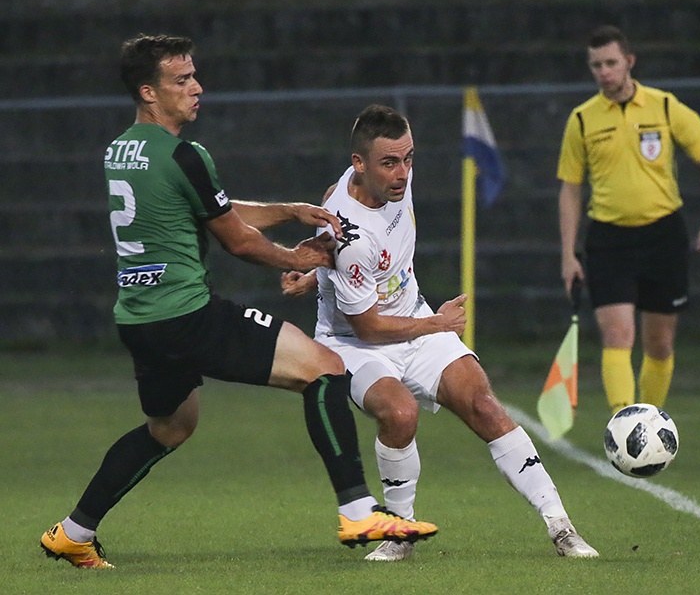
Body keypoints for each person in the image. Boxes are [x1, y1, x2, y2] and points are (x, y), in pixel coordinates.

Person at [39, 34, 437, 570]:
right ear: (149, 92)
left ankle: (72, 533)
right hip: (187, 315)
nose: (196, 87)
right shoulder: (187, 154)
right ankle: (359, 509)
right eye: (181, 80)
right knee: (325, 368)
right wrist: (299, 260)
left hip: (139, 318)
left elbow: (212, 209)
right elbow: (236, 239)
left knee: (170, 428)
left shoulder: (121, 151)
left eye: (194, 76)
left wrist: (289, 209)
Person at [282, 104, 598, 562]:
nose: (403, 173)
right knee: (400, 412)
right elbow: (366, 324)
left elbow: (337, 199)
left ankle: (561, 527)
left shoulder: (379, 181)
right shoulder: (348, 236)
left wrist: (319, 274)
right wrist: (437, 323)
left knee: (485, 405)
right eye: (390, 163)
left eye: (409, 158)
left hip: (412, 316)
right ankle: (399, 534)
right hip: (354, 343)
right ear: (360, 163)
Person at [556, 25, 700, 415]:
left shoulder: (665, 107)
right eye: (596, 65)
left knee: (660, 345)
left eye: (611, 63)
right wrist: (568, 254)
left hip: (662, 235)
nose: (604, 72)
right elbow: (569, 189)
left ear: (629, 62)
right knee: (617, 335)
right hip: (609, 239)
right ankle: (624, 422)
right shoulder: (582, 120)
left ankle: (649, 422)